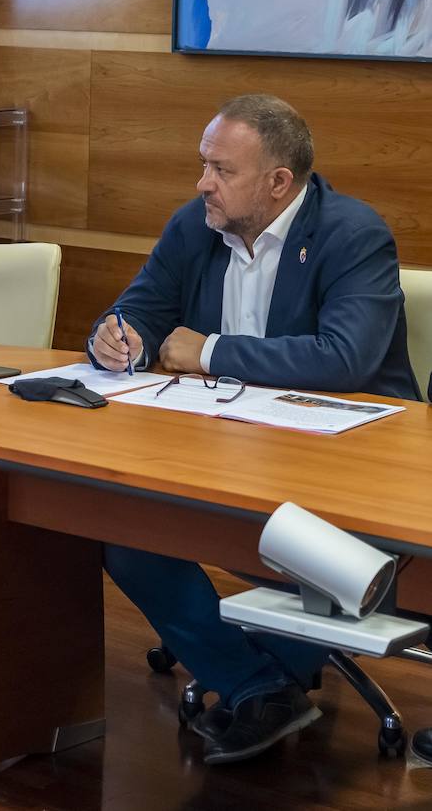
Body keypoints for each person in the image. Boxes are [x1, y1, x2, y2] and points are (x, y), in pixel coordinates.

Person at [87, 94, 419, 765]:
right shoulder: (196, 226)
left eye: (220, 169)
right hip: (226, 449)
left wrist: (206, 350)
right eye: (203, 165)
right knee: (124, 532)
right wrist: (115, 338)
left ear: (278, 183)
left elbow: (343, 357)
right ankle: (258, 683)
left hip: (351, 459)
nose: (203, 183)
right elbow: (139, 309)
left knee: (326, 559)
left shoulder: (353, 235)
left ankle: (261, 677)